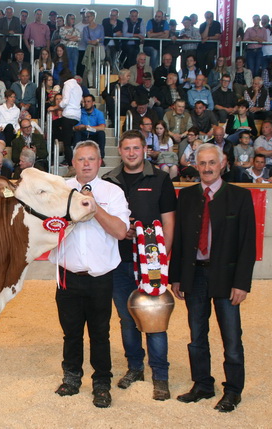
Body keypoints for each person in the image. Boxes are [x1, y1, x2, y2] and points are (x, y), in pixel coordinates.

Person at [170, 143, 256, 413]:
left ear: (222, 164)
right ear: (196, 165)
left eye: (211, 163)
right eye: (202, 163)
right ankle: (203, 384)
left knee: (231, 338)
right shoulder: (186, 197)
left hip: (227, 279)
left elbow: (247, 244)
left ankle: (233, 390)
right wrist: (177, 278)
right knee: (197, 336)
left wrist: (241, 283)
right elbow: (181, 241)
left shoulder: (240, 197)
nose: (206, 168)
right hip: (194, 276)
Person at [48, 140, 129, 408]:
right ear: (72, 163)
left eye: (91, 159)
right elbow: (46, 228)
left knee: (100, 333)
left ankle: (102, 383)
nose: (85, 164)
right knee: (70, 332)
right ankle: (71, 378)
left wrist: (94, 207)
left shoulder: (113, 192)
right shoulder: (59, 190)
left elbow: (119, 231)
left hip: (100, 277)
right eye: (80, 159)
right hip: (68, 274)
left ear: (99, 162)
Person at [101, 130, 176, 401]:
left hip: (151, 264)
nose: (131, 153)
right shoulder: (108, 181)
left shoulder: (161, 179)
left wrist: (162, 261)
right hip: (119, 261)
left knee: (154, 318)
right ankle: (135, 367)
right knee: (126, 318)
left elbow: (168, 222)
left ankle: (161, 375)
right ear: (120, 151)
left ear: (144, 149)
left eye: (136, 148)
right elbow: (105, 222)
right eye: (126, 149)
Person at [72, 94, 106, 159]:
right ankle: (75, 157)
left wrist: (87, 127)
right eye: (85, 102)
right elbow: (74, 127)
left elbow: (102, 127)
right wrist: (79, 127)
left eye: (88, 101)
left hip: (93, 135)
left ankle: (101, 158)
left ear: (93, 103)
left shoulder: (99, 113)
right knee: (77, 133)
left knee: (101, 133)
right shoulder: (79, 112)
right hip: (83, 134)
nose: (86, 103)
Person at [59, 74, 83, 166]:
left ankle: (71, 165)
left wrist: (57, 106)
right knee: (56, 125)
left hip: (68, 115)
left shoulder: (67, 85)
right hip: (76, 116)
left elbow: (65, 101)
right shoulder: (78, 87)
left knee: (67, 144)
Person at [197, 11, 222, 77]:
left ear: (212, 17)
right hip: (203, 48)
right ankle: (203, 76)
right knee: (200, 59)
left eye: (210, 17)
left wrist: (208, 38)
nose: (208, 18)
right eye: (207, 17)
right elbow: (203, 36)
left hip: (212, 47)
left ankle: (209, 75)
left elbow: (217, 36)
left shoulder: (216, 24)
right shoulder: (202, 25)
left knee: (210, 59)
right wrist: (207, 26)